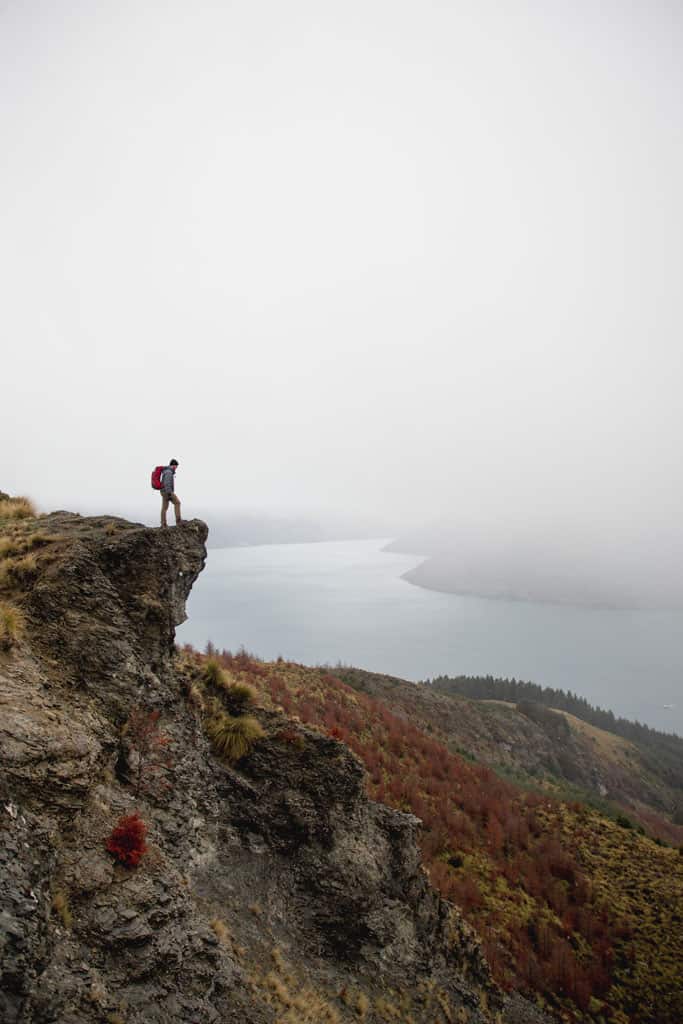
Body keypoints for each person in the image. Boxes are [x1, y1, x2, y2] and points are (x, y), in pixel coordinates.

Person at [160, 459, 182, 527]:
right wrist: (169, 493)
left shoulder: (166, 471)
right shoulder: (169, 472)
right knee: (177, 503)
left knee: (164, 508)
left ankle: (163, 524)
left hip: (163, 491)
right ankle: (178, 521)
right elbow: (167, 483)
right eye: (176, 466)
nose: (176, 468)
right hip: (167, 492)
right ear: (173, 465)